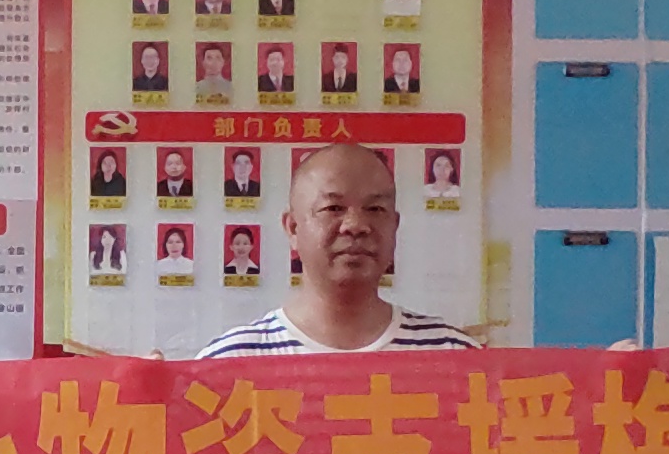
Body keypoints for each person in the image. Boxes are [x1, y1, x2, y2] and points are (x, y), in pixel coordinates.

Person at [196, 140, 476, 357]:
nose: (355, 225)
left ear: (395, 225)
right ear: (293, 228)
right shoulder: (230, 362)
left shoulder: (454, 356)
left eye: (375, 209)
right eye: (333, 208)